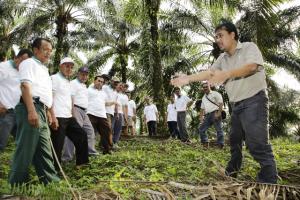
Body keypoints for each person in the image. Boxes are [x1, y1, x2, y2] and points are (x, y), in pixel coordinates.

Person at [171, 22, 278, 184]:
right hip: (236, 106)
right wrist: (188, 78)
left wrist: (227, 73)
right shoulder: (223, 58)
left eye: (221, 35)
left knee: (257, 145)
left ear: (232, 34)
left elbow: (252, 67)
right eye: (216, 37)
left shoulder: (249, 48)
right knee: (235, 144)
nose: (218, 40)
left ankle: (269, 182)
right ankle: (231, 173)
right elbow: (210, 72)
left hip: (254, 101)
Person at [8, 38, 60, 186]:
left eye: (50, 50)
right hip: (30, 107)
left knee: (44, 148)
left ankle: (51, 182)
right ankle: (18, 185)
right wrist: (31, 111)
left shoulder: (44, 68)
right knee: (26, 147)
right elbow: (25, 86)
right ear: (35, 50)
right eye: (45, 49)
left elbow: (46, 94)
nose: (48, 53)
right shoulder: (29, 63)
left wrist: (51, 113)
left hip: (42, 110)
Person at [49, 57, 89, 173]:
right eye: (67, 66)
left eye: (71, 67)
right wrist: (52, 115)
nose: (69, 69)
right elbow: (49, 97)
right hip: (58, 116)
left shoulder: (67, 82)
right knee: (57, 145)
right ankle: (55, 171)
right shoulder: (55, 78)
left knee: (82, 134)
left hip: (68, 116)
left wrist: (73, 114)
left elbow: (69, 99)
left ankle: (81, 161)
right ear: (60, 66)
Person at [61, 66, 100, 163]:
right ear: (77, 74)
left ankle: (90, 152)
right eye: (82, 74)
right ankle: (67, 157)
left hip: (84, 111)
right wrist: (73, 112)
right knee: (73, 133)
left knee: (90, 131)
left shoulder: (83, 86)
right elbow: (71, 97)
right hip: (75, 109)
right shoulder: (73, 83)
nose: (84, 76)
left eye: (86, 75)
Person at [0, 49, 33, 154]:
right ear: (15, 57)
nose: (23, 66)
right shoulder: (4, 67)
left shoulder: (24, 73)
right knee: (1, 141)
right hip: (6, 111)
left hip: (19, 112)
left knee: (23, 141)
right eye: (22, 62)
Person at [86, 76, 120, 155]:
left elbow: (106, 103)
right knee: (90, 133)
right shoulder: (89, 90)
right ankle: (88, 151)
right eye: (98, 81)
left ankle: (107, 149)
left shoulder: (103, 93)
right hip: (91, 113)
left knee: (107, 131)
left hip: (102, 115)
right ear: (94, 81)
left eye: (101, 82)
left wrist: (113, 103)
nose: (100, 83)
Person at [199, 82, 225, 151]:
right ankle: (205, 145)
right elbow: (202, 108)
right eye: (204, 87)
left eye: (206, 87)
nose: (205, 88)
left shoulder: (215, 94)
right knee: (201, 129)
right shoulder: (204, 97)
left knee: (219, 129)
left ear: (210, 87)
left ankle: (220, 147)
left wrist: (218, 113)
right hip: (207, 115)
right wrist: (201, 117)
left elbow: (221, 103)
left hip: (215, 113)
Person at [111, 82, 127, 147]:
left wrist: (125, 116)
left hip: (120, 113)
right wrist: (117, 114)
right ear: (117, 85)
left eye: (122, 86)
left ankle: (115, 142)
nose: (121, 87)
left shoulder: (121, 96)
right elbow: (115, 104)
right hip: (113, 112)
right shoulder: (113, 93)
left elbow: (123, 106)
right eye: (120, 85)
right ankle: (108, 142)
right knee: (111, 128)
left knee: (118, 129)